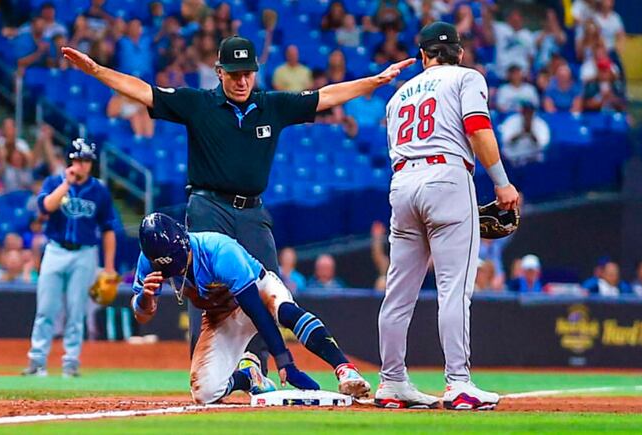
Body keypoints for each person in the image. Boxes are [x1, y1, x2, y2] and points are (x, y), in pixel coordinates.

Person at [62, 35, 413, 368]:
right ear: (219, 72)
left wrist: (375, 82)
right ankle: (206, 367)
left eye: (247, 73)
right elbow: (144, 91)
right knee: (206, 289)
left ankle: (256, 368)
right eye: (234, 74)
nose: (242, 80)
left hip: (252, 211)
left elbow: (325, 97)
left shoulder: (271, 106)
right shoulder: (198, 103)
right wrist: (96, 70)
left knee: (269, 285)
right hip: (207, 206)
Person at [378, 22, 519, 411]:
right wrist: (502, 183)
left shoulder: (398, 96)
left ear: (422, 56)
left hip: (403, 183)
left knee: (398, 293)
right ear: (459, 52)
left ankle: (391, 381)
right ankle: (458, 383)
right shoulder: (466, 77)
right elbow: (477, 129)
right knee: (454, 288)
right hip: (447, 177)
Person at [131, 213, 370, 404]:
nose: (175, 268)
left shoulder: (219, 250)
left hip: (257, 289)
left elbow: (256, 310)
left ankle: (345, 369)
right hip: (220, 314)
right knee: (204, 393)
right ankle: (248, 376)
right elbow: (142, 315)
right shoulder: (149, 260)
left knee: (285, 310)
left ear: (184, 240)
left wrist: (285, 361)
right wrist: (145, 299)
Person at [22, 138, 117, 378]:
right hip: (55, 250)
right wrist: (66, 183)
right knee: (46, 308)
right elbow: (46, 207)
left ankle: (71, 362)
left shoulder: (100, 190)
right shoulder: (55, 182)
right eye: (77, 159)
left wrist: (108, 266)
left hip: (84, 253)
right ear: (70, 161)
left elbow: (108, 229)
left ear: (91, 164)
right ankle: (37, 360)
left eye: (85, 160)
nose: (81, 164)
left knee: (76, 311)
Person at [498, 101, 550, 166]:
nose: (527, 114)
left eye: (530, 112)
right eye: (525, 111)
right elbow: (505, 141)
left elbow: (543, 145)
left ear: (534, 112)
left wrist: (531, 133)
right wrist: (521, 133)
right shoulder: (511, 121)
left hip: (533, 160)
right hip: (512, 159)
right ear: (522, 111)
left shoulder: (540, 124)